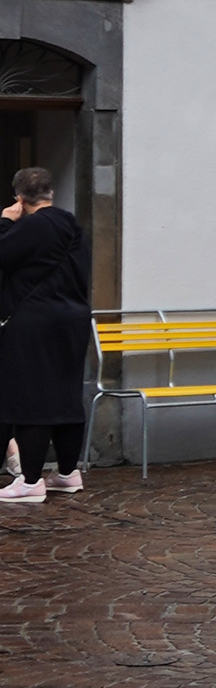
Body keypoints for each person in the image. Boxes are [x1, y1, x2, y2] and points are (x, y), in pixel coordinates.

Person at [0, 168, 91, 503]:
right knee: (67, 396)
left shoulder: (32, 226)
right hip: (74, 318)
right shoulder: (72, 225)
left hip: (35, 322)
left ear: (20, 197)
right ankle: (68, 473)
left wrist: (6, 222)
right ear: (50, 193)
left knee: (31, 399)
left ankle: (30, 481)